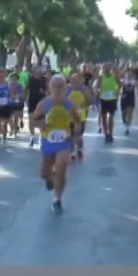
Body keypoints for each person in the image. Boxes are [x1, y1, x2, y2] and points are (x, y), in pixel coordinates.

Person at [30, 75, 82, 213]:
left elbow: (78, 120)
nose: (58, 89)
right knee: (44, 173)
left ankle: (57, 199)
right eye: (55, 86)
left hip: (64, 142)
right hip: (48, 141)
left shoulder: (70, 104)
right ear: (50, 87)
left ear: (65, 87)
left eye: (61, 86)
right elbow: (32, 121)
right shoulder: (44, 104)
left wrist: (77, 128)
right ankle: (49, 178)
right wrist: (40, 124)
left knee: (61, 169)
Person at [67, 73, 92, 161]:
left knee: (78, 135)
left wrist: (84, 103)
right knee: (70, 135)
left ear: (80, 81)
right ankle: (72, 153)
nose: (75, 82)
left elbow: (89, 102)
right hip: (69, 116)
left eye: (77, 80)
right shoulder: (68, 89)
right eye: (73, 80)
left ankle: (79, 149)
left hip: (81, 117)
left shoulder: (84, 89)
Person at [97, 63, 121, 143]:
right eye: (104, 68)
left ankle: (110, 134)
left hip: (112, 99)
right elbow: (97, 86)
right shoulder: (101, 77)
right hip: (103, 99)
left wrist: (117, 91)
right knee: (104, 118)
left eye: (107, 68)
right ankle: (106, 134)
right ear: (103, 69)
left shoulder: (114, 77)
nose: (106, 70)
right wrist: (99, 91)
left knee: (110, 118)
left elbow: (120, 84)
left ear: (109, 69)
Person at [26, 67, 47, 147]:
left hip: (41, 103)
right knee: (31, 121)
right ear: (34, 72)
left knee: (41, 121)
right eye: (37, 71)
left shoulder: (44, 80)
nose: (38, 72)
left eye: (39, 71)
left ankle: (41, 138)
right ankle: (32, 136)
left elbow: (48, 90)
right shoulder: (31, 79)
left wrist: (44, 92)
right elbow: (27, 89)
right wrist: (26, 99)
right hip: (32, 102)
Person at [0, 69, 12, 143]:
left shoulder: (8, 83)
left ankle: (4, 137)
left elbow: (10, 94)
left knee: (5, 123)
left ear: (5, 75)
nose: (1, 76)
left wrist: (10, 100)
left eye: (2, 74)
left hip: (6, 105)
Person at [120, 68, 137, 136]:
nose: (129, 74)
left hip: (131, 98)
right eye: (128, 73)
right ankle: (125, 123)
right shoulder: (123, 80)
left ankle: (127, 128)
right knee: (124, 112)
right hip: (124, 97)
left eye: (131, 73)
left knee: (130, 113)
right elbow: (120, 88)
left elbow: (137, 86)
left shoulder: (134, 81)